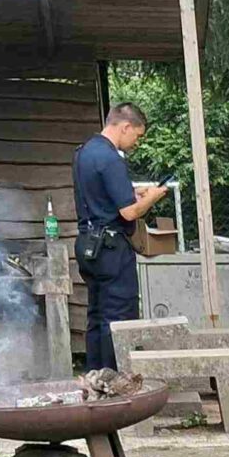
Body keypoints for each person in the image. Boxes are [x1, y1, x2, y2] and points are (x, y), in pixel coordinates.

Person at [71, 101, 170, 371]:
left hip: (88, 244)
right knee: (119, 318)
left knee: (97, 315)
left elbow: (101, 196)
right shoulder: (111, 158)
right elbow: (128, 213)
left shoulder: (83, 153)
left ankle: (95, 377)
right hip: (112, 248)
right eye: (137, 135)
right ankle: (115, 381)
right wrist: (150, 198)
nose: (136, 142)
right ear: (125, 126)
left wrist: (132, 192)